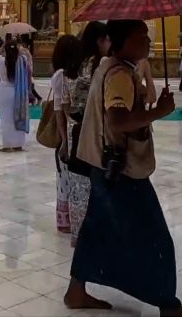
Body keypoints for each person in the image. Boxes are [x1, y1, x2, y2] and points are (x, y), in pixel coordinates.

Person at [64, 20, 182, 317]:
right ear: (122, 42)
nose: (147, 42)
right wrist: (158, 112)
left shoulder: (111, 65)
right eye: (141, 37)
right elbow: (117, 121)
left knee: (97, 228)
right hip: (121, 170)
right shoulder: (118, 74)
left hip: (102, 165)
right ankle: (168, 305)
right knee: (155, 236)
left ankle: (76, 290)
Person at [65, 21, 109, 247]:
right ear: (99, 41)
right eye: (108, 40)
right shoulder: (100, 65)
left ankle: (79, 232)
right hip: (93, 130)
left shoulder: (77, 63)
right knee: (95, 183)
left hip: (77, 128)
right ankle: (94, 235)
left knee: (80, 184)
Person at [52, 35, 82, 234]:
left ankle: (69, 218)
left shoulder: (76, 74)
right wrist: (64, 139)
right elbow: (59, 110)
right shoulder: (64, 75)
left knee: (69, 176)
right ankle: (68, 218)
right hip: (72, 131)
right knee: (68, 174)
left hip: (72, 131)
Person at [0, 40, 30, 152]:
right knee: (18, 117)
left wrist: (2, 47)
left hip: (5, 91)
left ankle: (7, 145)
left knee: (6, 119)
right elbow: (26, 55)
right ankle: (18, 144)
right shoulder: (22, 60)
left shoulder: (0, 60)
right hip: (18, 91)